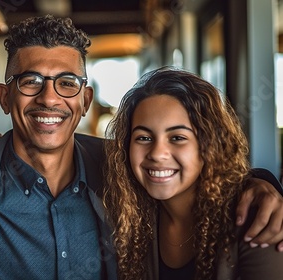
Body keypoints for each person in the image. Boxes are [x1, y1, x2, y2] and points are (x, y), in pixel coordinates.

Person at [0, 15, 283, 280]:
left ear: (85, 101)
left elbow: (193, 171)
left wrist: (260, 183)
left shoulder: (123, 166)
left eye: (67, 83)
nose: (49, 98)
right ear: (6, 98)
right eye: (30, 81)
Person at [103, 66, 283, 279]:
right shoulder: (134, 215)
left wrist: (259, 180)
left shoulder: (257, 218)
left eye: (178, 137)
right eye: (143, 137)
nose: (158, 153)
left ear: (209, 145)